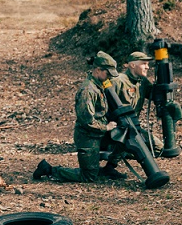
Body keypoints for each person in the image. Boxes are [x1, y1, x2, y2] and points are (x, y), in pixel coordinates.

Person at [32, 51, 126, 182]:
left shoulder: (98, 86)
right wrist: (107, 127)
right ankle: (49, 170)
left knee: (125, 141)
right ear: (98, 70)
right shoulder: (88, 90)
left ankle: (108, 168)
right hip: (88, 137)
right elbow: (87, 121)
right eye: (107, 74)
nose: (109, 77)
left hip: (99, 133)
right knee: (88, 177)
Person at [112, 51, 163, 154]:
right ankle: (115, 151)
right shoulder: (118, 81)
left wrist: (163, 85)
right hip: (117, 127)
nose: (147, 67)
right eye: (144, 63)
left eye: (147, 64)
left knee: (158, 148)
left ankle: (124, 151)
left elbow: (155, 95)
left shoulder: (142, 82)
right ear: (132, 65)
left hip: (133, 127)